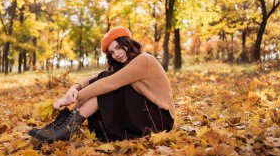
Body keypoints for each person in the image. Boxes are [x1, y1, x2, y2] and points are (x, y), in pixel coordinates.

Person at [28, 26, 175, 142]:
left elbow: (108, 83)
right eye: (111, 52)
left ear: (128, 43)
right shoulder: (126, 66)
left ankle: (67, 127)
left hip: (160, 120)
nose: (116, 54)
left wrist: (71, 99)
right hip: (146, 115)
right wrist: (75, 87)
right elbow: (94, 78)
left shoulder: (144, 59)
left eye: (118, 47)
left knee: (109, 85)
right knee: (105, 79)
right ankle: (65, 124)